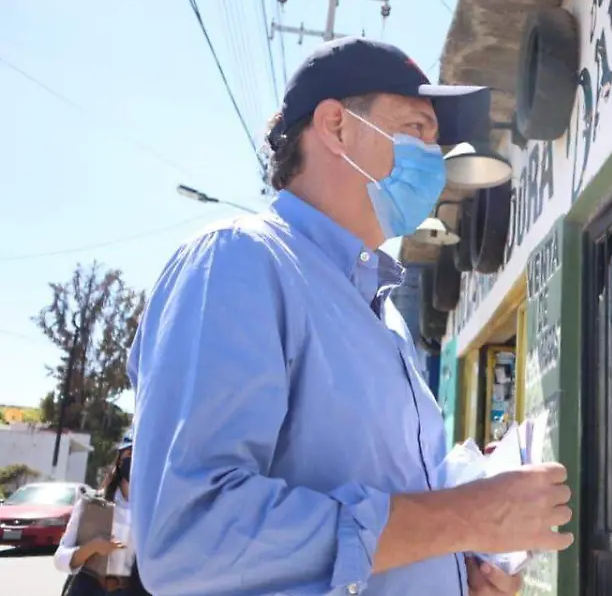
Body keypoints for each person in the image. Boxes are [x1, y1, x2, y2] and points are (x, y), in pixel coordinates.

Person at [127, 37, 573, 596]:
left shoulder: (385, 320)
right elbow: (189, 538)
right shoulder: (237, 261)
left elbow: (384, 533)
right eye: (416, 129)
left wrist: (454, 570)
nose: (433, 159)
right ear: (336, 127)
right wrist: (467, 517)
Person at [56, 431, 150, 596]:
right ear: (119, 460)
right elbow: (60, 558)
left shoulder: (153, 511)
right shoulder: (92, 504)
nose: (136, 460)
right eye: (130, 453)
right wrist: (93, 547)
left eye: (142, 454)